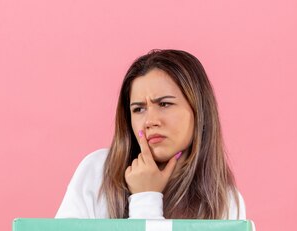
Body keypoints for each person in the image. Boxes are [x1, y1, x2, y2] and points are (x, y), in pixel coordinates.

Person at [55, 49, 246, 220]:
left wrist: (146, 199)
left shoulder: (225, 200)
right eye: (138, 109)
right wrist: (145, 198)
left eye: (164, 104)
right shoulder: (97, 171)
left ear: (199, 112)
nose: (150, 121)